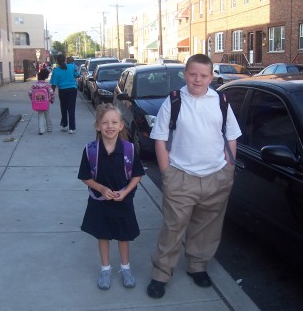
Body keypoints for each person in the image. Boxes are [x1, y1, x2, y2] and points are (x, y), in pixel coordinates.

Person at [146, 54, 242, 298]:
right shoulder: (174, 100)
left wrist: (228, 169)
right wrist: (167, 173)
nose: (197, 80)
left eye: (203, 75)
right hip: (181, 176)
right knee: (173, 227)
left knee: (208, 227)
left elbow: (231, 136)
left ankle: (197, 266)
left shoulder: (221, 100)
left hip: (216, 176)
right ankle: (161, 273)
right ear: (185, 74)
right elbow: (160, 138)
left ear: (211, 77)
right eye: (192, 74)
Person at [78, 103, 145, 290]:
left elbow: (137, 175)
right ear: (98, 126)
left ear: (121, 125)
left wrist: (125, 192)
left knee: (123, 236)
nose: (110, 126)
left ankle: (125, 268)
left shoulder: (129, 150)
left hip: (123, 202)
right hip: (100, 203)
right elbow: (85, 177)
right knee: (103, 235)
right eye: (105, 122)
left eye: (114, 122)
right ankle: (105, 269)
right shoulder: (91, 150)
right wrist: (100, 188)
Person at [49, 54, 79, 134]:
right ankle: (72, 128)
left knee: (64, 108)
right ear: (65, 60)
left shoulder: (56, 71)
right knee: (71, 108)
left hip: (62, 91)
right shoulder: (72, 67)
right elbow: (77, 75)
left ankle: (64, 125)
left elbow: (53, 85)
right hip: (72, 89)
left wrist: (51, 95)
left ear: (57, 61)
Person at [28, 68, 55, 135]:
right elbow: (51, 93)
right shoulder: (47, 85)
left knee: (40, 115)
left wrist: (32, 99)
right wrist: (52, 100)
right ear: (46, 76)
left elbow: (29, 92)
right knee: (47, 114)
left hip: (38, 103)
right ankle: (49, 128)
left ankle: (41, 130)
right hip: (46, 102)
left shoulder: (35, 85)